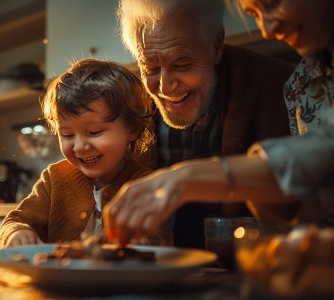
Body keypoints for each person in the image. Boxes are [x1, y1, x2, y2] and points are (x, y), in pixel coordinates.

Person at [103, 0, 334, 246]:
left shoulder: (276, 85)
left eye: (182, 64)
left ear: (216, 47)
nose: (165, 86)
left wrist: (187, 178)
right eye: (150, 68)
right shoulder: (304, 80)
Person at [0, 58, 170, 248]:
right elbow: (15, 220)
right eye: (67, 134)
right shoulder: (55, 178)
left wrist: (142, 241)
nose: (79, 147)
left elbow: (159, 242)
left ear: (132, 129)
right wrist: (17, 232)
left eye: (95, 132)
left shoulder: (148, 185)